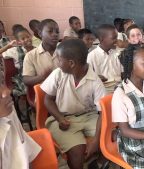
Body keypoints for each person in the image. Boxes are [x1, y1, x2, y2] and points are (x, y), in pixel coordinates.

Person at [42, 39, 107, 169]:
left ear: (71, 63)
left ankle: (98, 163)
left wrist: (95, 142)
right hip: (63, 118)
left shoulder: (95, 81)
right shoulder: (58, 74)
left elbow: (102, 114)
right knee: (77, 151)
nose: (57, 63)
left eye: (59, 60)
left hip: (89, 116)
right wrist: (60, 118)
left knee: (110, 135)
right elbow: (47, 99)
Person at [22, 19, 59, 86]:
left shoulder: (65, 50)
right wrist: (42, 77)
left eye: (57, 31)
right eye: (50, 31)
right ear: (40, 34)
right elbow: (26, 80)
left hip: (65, 90)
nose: (55, 34)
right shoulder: (30, 55)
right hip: (44, 92)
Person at [87, 24, 122, 93]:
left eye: (117, 38)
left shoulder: (116, 53)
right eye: (113, 38)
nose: (117, 41)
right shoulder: (92, 56)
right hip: (103, 89)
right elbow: (88, 77)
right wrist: (96, 77)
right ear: (102, 39)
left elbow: (122, 72)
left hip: (119, 87)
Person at [2, 27, 35, 96]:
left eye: (28, 36)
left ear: (31, 36)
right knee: (31, 90)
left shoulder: (37, 48)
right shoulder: (15, 51)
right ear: (18, 41)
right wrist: (9, 46)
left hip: (36, 75)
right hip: (23, 77)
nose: (26, 39)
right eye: (23, 39)